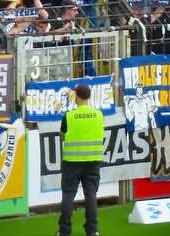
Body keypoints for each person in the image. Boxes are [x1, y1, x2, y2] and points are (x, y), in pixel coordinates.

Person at [58, 82, 103, 236]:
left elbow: (62, 135)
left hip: (72, 163)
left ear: (76, 96)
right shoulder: (99, 115)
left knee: (68, 195)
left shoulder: (69, 116)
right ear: (89, 96)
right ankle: (92, 231)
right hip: (93, 162)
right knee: (91, 195)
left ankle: (64, 231)